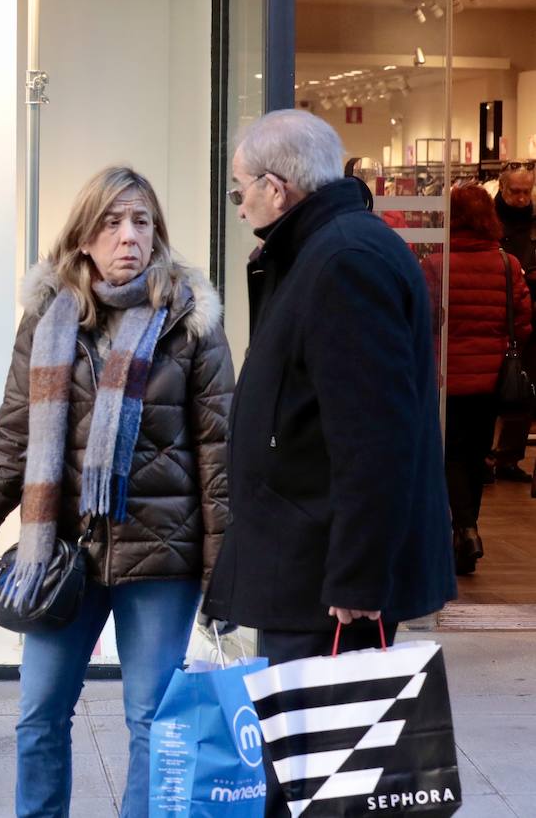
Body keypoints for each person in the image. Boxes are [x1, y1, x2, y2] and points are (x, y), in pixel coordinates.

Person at [0, 166, 234, 818]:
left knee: (152, 722)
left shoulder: (188, 319)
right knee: (39, 713)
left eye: (142, 222)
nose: (129, 236)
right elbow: (14, 447)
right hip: (62, 557)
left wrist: (226, 576)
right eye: (112, 221)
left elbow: (219, 461)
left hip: (163, 558)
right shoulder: (48, 320)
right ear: (82, 235)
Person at [201, 110, 456, 816]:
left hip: (326, 577)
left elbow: (374, 436)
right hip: (307, 558)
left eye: (240, 189)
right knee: (312, 771)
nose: (240, 202)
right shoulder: (323, 251)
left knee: (323, 779)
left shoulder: (342, 260)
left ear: (277, 188)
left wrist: (358, 577)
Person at [423, 184, 531, 574]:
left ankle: (464, 530)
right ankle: (468, 532)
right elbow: (522, 320)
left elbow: (424, 319)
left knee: (450, 453)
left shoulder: (436, 264)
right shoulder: (507, 264)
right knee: (476, 455)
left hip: (446, 377)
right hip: (491, 379)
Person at [491, 164, 536, 481]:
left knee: (524, 387)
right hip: (496, 312)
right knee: (492, 388)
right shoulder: (489, 220)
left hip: (530, 313)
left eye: (526, 192)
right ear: (502, 189)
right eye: (515, 191)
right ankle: (485, 456)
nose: (521, 198)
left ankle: (509, 457)